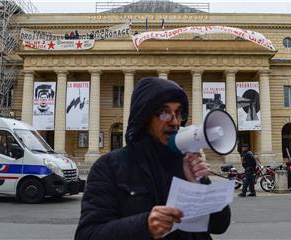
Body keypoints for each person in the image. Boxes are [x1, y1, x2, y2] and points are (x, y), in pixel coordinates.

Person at [75, 77, 231, 240]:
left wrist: (201, 184)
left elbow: (219, 225)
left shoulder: (186, 163)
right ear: (144, 117)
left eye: (178, 113)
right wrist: (144, 226)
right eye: (164, 113)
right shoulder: (109, 167)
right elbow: (87, 234)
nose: (175, 122)